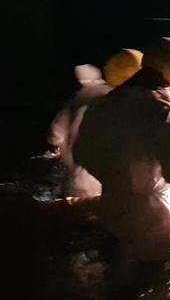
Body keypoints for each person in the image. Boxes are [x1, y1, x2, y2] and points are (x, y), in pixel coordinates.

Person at [75, 37, 170, 262]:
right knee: (164, 285)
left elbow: (81, 153)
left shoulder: (104, 103)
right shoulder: (166, 112)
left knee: (113, 274)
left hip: (110, 210)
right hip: (154, 224)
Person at [49, 48, 143, 199]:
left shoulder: (83, 94)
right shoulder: (128, 104)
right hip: (110, 189)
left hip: (75, 184)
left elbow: (54, 135)